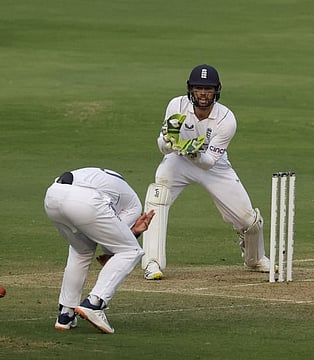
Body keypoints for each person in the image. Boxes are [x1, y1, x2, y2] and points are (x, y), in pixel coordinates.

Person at [141, 64, 270, 280]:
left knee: (250, 221)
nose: (203, 94)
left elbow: (209, 161)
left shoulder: (226, 119)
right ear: (190, 89)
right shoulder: (176, 106)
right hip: (177, 162)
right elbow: (162, 147)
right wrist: (169, 141)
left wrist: (193, 152)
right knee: (158, 197)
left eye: (208, 89)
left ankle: (254, 259)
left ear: (217, 90)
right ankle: (152, 262)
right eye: (198, 88)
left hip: (213, 166)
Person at [44, 167, 155, 333]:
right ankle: (95, 303)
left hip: (52, 196)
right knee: (131, 251)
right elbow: (112, 247)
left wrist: (131, 233)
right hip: (83, 200)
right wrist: (135, 233)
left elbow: (109, 240)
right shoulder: (134, 207)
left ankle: (65, 314)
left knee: (81, 251)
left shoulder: (113, 185)